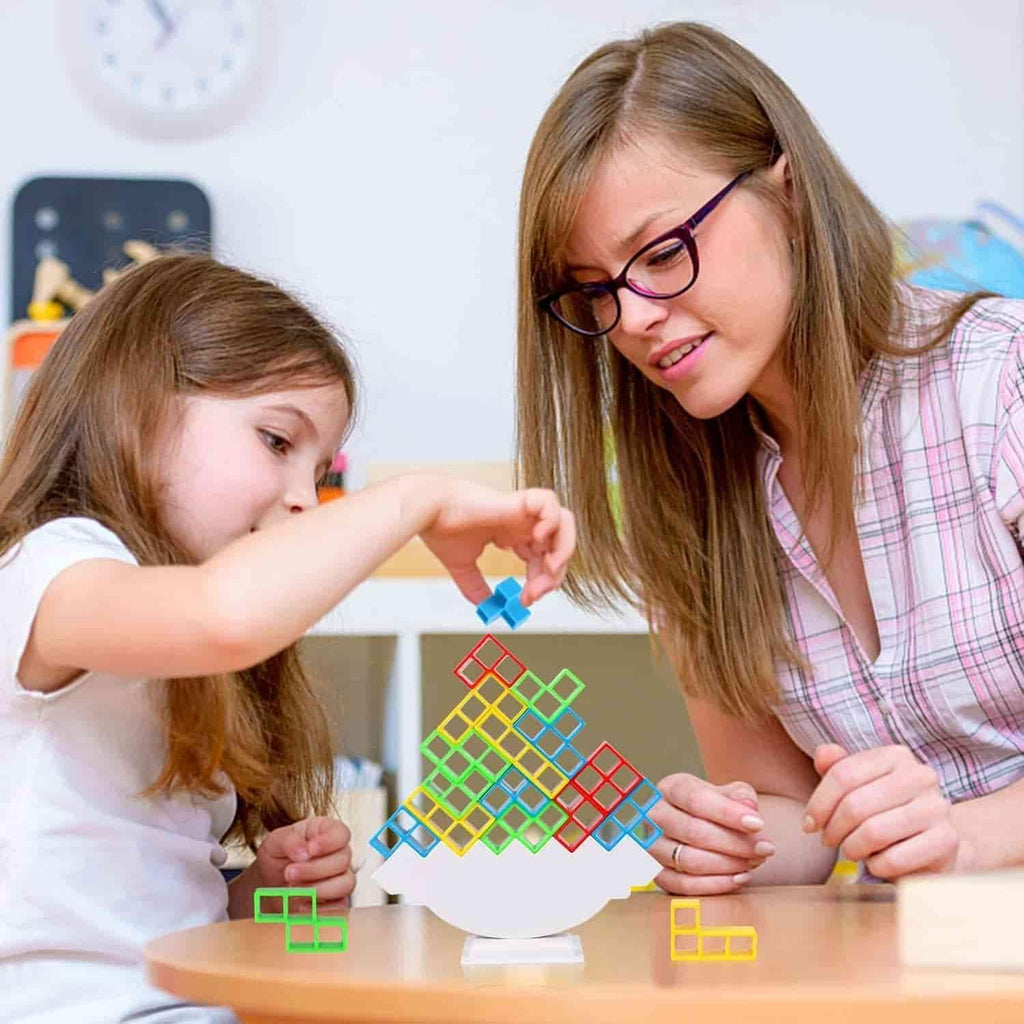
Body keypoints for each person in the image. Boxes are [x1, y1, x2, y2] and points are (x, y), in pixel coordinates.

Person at [515, 20, 1024, 895]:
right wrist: (725, 841)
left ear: (786, 194)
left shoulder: (1001, 385)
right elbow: (797, 819)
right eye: (594, 291)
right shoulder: (681, 494)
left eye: (663, 253)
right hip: (907, 959)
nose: (631, 319)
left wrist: (966, 840)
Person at [0, 254, 575, 1023]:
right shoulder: (47, 571)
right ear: (134, 405)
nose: (306, 498)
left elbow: (141, 913)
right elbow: (223, 615)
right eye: (277, 441)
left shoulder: (175, 645)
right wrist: (419, 498)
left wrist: (258, 892)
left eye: (321, 470)